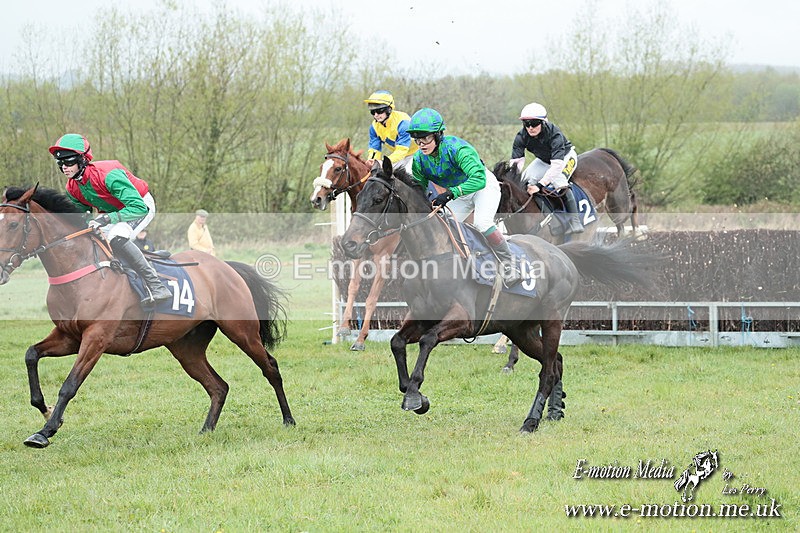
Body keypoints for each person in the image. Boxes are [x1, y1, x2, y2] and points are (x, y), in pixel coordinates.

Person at [49, 133, 172, 303]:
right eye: (60, 163)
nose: (64, 167)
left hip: (140, 206)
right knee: (91, 237)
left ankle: (156, 286)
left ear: (83, 160)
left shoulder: (108, 176)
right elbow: (82, 217)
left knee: (117, 236)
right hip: (113, 212)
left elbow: (138, 208)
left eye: (69, 161)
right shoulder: (72, 187)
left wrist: (106, 219)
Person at [407, 107, 522, 286]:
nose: (421, 143)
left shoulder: (457, 149)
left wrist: (451, 193)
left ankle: (510, 265)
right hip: (458, 194)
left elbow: (478, 179)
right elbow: (419, 189)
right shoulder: (419, 160)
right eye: (417, 139)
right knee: (446, 227)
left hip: (482, 187)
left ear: (438, 135)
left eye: (425, 138)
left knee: (482, 223)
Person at [510, 102, 583, 234]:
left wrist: (540, 184)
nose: (530, 128)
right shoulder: (521, 137)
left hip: (564, 158)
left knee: (559, 182)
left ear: (543, 123)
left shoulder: (555, 134)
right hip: (543, 160)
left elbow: (556, 166)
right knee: (525, 180)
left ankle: (575, 220)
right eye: (527, 124)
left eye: (534, 123)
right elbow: (516, 163)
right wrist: (511, 180)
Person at [364, 90, 418, 173]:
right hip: (399, 156)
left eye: (379, 111)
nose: (376, 115)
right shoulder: (374, 127)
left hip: (417, 153)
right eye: (372, 112)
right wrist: (373, 161)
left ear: (389, 109)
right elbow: (375, 149)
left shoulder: (403, 123)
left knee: (408, 175)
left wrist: (384, 162)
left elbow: (401, 151)